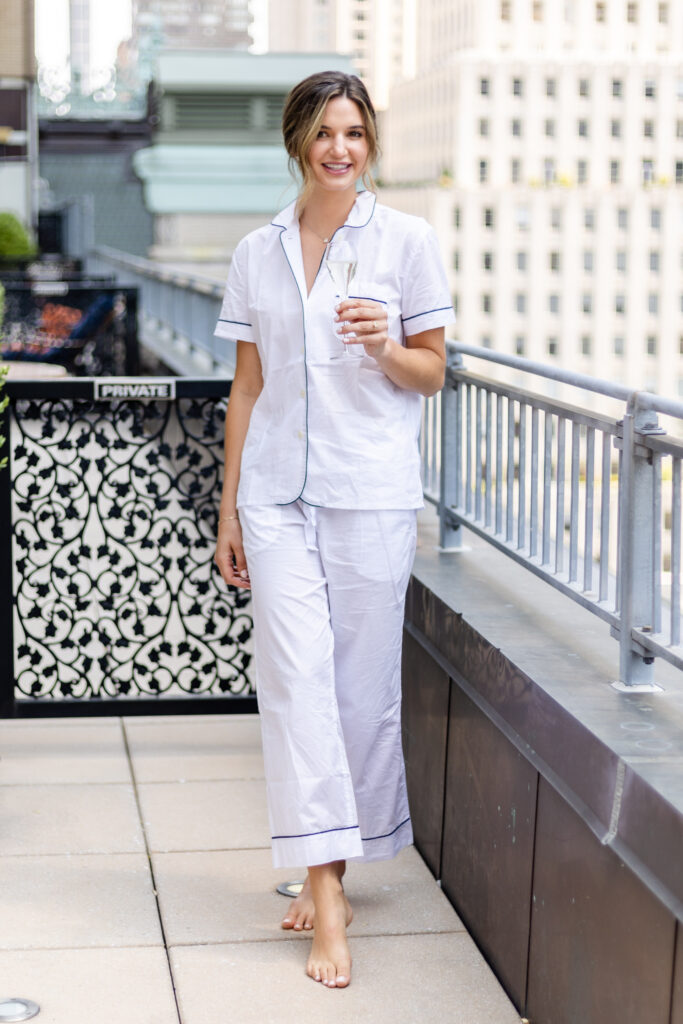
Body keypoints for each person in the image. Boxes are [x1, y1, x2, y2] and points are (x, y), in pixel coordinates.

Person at [213, 70, 455, 990]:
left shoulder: (406, 242)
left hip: (370, 496)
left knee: (355, 693)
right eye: (323, 132)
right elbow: (247, 386)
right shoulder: (256, 250)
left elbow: (432, 371)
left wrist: (386, 347)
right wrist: (230, 506)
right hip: (275, 498)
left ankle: (336, 877)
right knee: (298, 686)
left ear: (371, 144)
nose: (339, 148)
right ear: (297, 142)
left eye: (354, 132)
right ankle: (325, 899)